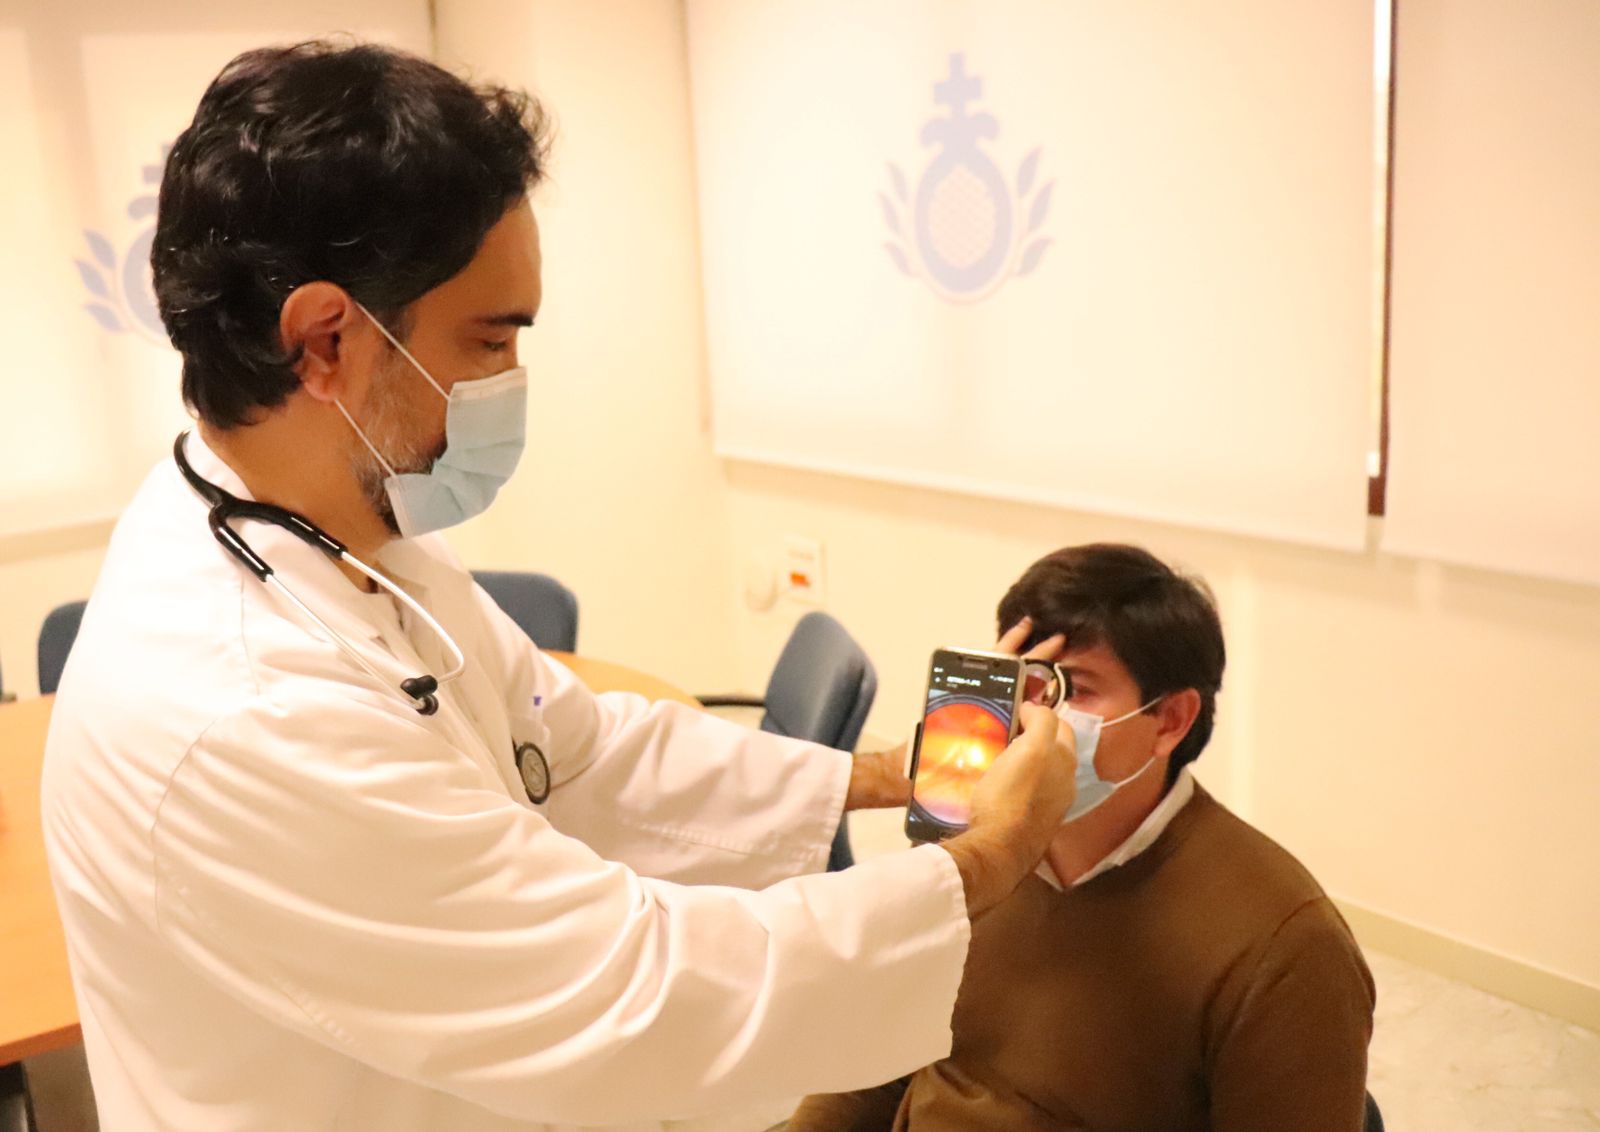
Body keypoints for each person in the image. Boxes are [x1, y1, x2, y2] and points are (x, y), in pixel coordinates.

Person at [40, 42, 1080, 1132]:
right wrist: (987, 858)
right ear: (324, 339)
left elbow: (575, 749)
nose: (512, 386)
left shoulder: (337, 536)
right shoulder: (244, 714)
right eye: (490, 340)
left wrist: (884, 773)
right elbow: (632, 991)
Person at [790, 543, 1377, 1131]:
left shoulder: (1285, 947)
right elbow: (878, 1055)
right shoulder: (972, 853)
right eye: (1023, 682)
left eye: (1074, 690)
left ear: (1170, 720)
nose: (1033, 718)